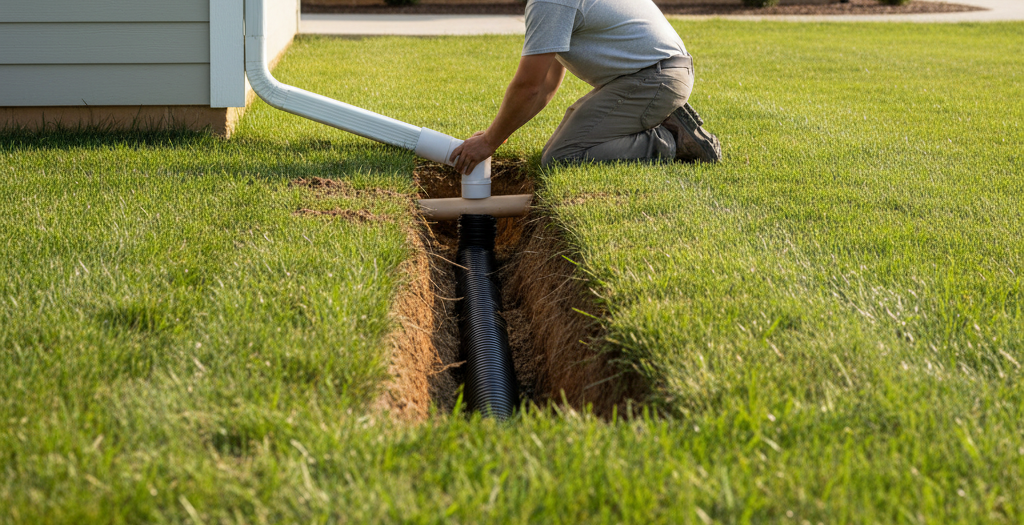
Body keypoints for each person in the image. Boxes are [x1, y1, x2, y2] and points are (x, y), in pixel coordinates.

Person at [450, 0, 721, 176]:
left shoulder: (548, 3)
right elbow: (546, 84)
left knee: (562, 158)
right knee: (560, 146)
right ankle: (663, 120)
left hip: (655, 78)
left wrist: (488, 142)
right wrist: (498, 132)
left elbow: (529, 86)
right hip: (659, 73)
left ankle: (671, 140)